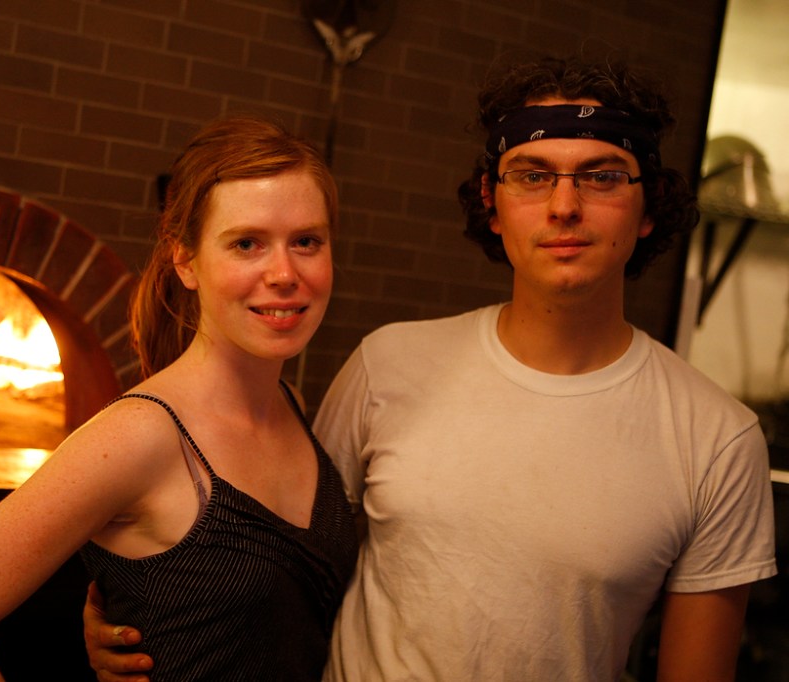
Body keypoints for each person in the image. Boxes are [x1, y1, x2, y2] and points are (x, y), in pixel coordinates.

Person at [83, 56, 778, 682]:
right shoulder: (389, 364)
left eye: (601, 176)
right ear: (492, 203)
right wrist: (154, 613)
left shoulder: (717, 439)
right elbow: (281, 564)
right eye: (532, 176)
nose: (565, 206)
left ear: (649, 203)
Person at [0, 114, 359, 681]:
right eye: (247, 244)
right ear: (185, 259)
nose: (284, 273)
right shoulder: (141, 435)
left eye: (306, 242)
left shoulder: (292, 406)